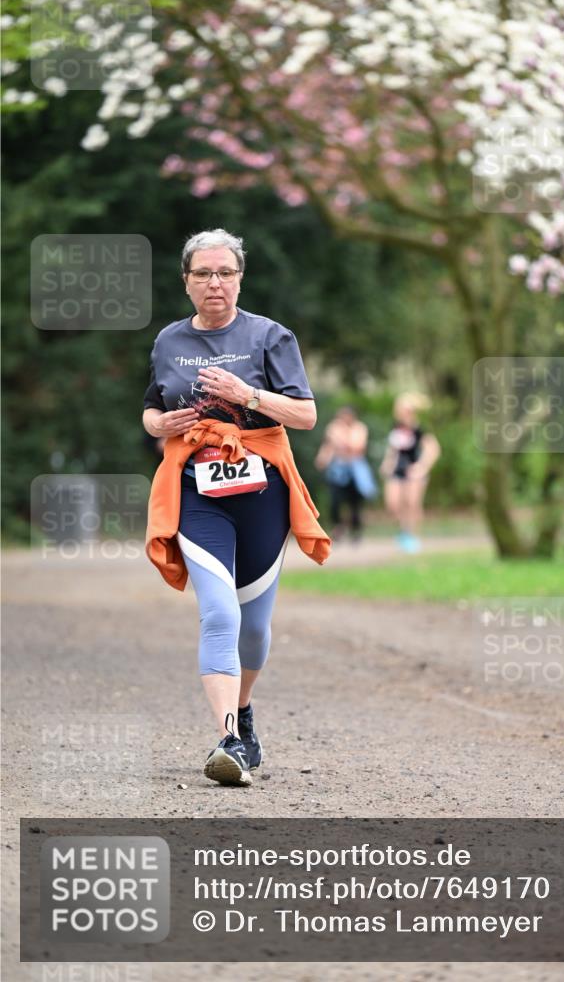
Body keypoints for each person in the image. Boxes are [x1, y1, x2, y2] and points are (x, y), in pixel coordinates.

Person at [143, 228, 329, 787]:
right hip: (199, 495)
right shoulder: (168, 342)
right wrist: (163, 424)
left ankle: (243, 713)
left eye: (225, 272)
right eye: (204, 273)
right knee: (219, 614)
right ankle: (227, 739)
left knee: (254, 627)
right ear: (187, 282)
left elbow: (305, 415)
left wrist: (246, 395)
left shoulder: (270, 336)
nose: (215, 282)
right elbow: (152, 410)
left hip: (262, 496)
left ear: (239, 278)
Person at [380, 392, 440, 553]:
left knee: (412, 503)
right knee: (392, 503)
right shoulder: (395, 427)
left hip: (413, 471)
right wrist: (387, 463)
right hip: (397, 470)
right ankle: (403, 530)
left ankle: (412, 536)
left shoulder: (420, 429)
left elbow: (433, 449)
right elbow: (393, 449)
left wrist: (421, 467)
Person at [315, 406, 376, 541]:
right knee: (335, 500)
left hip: (355, 470)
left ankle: (356, 530)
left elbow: (356, 447)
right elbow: (329, 446)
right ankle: (338, 527)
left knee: (355, 502)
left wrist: (340, 439)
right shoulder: (333, 428)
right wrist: (322, 459)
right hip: (338, 470)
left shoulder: (359, 428)